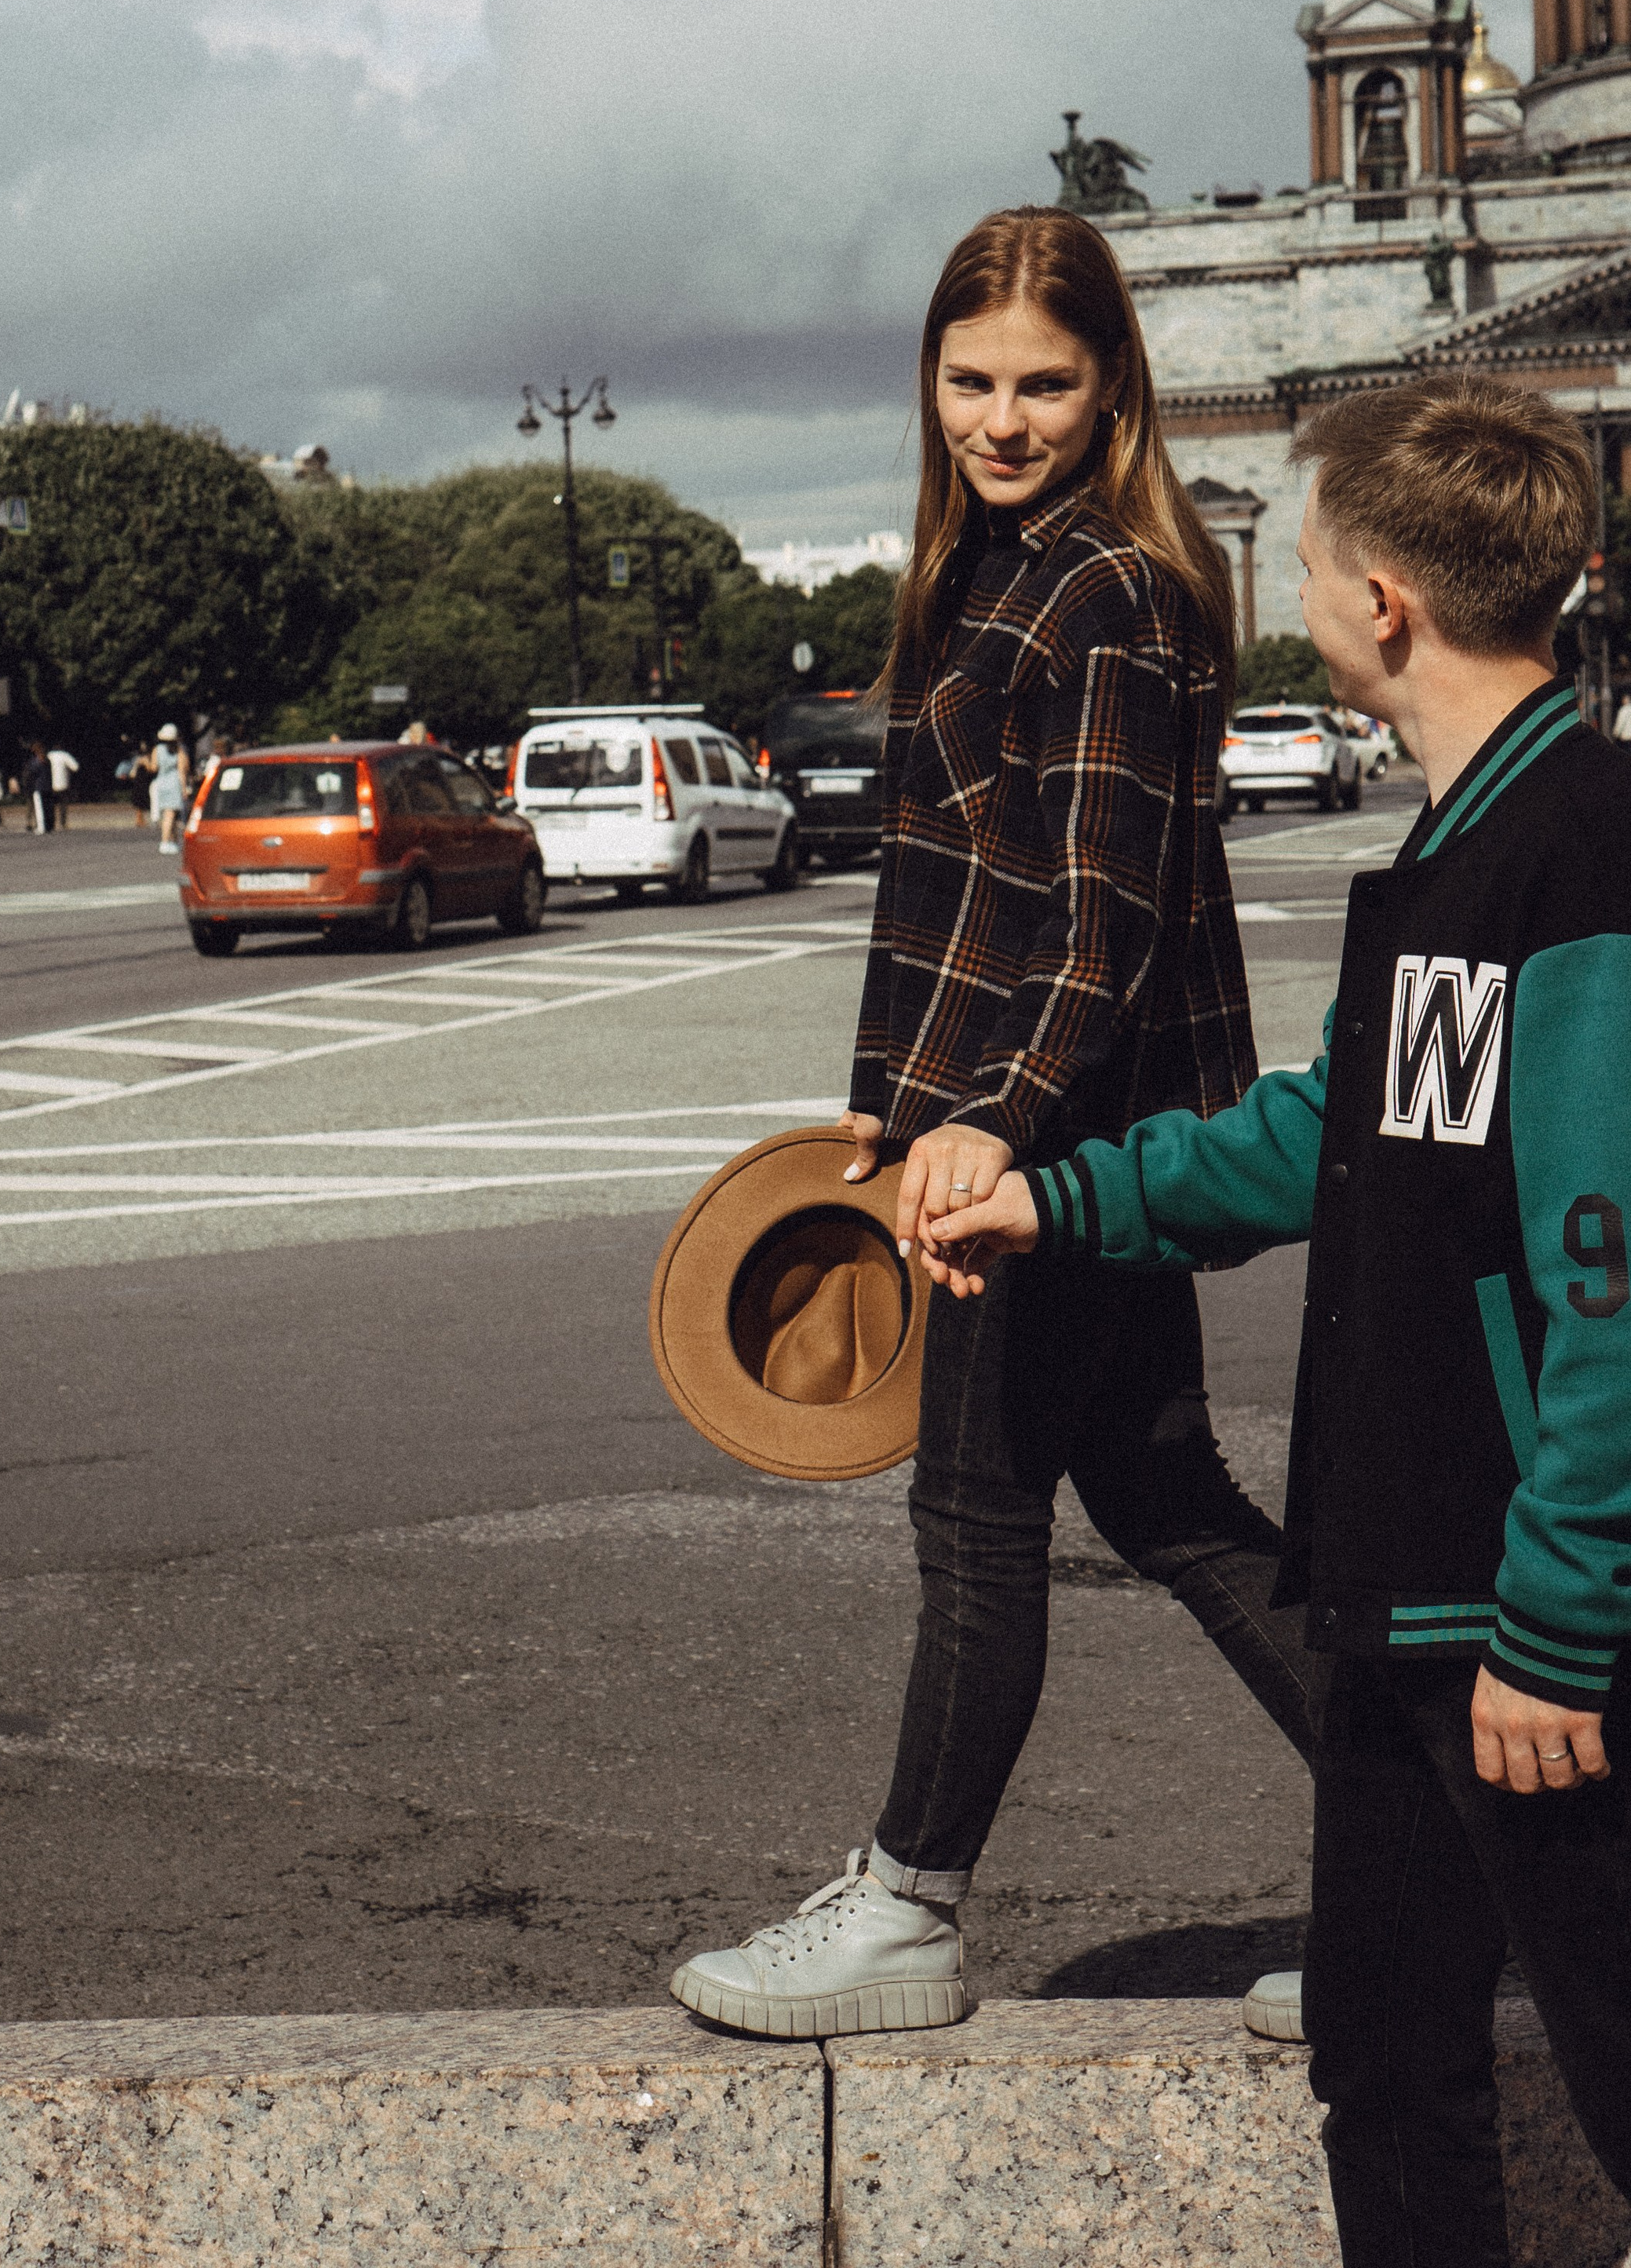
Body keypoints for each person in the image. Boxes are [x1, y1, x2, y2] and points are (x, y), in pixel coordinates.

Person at [930, 375, 1631, 2266]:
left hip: (1514, 1620)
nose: (1297, 591)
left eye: (1307, 562)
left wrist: (1561, 1625)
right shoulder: (1452, 852)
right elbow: (1327, 1136)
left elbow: (1606, 1279)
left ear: (1375, 604)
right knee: (1378, 2052)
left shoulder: (1569, 856)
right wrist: (1060, 1199)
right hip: (1397, 1586)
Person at [672, 206, 1312, 2039]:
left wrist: (989, 1135)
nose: (1000, 415)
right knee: (1167, 1498)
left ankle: (905, 1906)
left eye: (1042, 379)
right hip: (1022, 1129)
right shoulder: (1001, 572)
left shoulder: (1095, 588)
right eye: (968, 379)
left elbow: (1093, 927)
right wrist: (888, 1112)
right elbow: (962, 900)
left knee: (973, 1514)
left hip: (1043, 1149)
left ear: (1112, 384)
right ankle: (1460, 1857)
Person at [149, 722, 188, 853]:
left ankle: (173, 841)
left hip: (161, 782)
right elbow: (182, 771)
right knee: (171, 814)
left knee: (167, 814)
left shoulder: (157, 749)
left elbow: (154, 768)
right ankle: (165, 841)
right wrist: (184, 789)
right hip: (174, 783)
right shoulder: (179, 750)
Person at [46, 744, 79, 830]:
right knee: (63, 805)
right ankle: (63, 823)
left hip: (50, 784)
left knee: (50, 805)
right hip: (63, 784)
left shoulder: (49, 755)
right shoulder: (65, 755)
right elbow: (75, 767)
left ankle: (51, 823)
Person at [126, 744, 154, 829]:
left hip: (139, 782)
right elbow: (150, 769)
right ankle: (139, 820)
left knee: (139, 804)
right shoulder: (145, 759)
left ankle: (140, 820)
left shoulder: (138, 759)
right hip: (142, 783)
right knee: (141, 803)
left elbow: (133, 773)